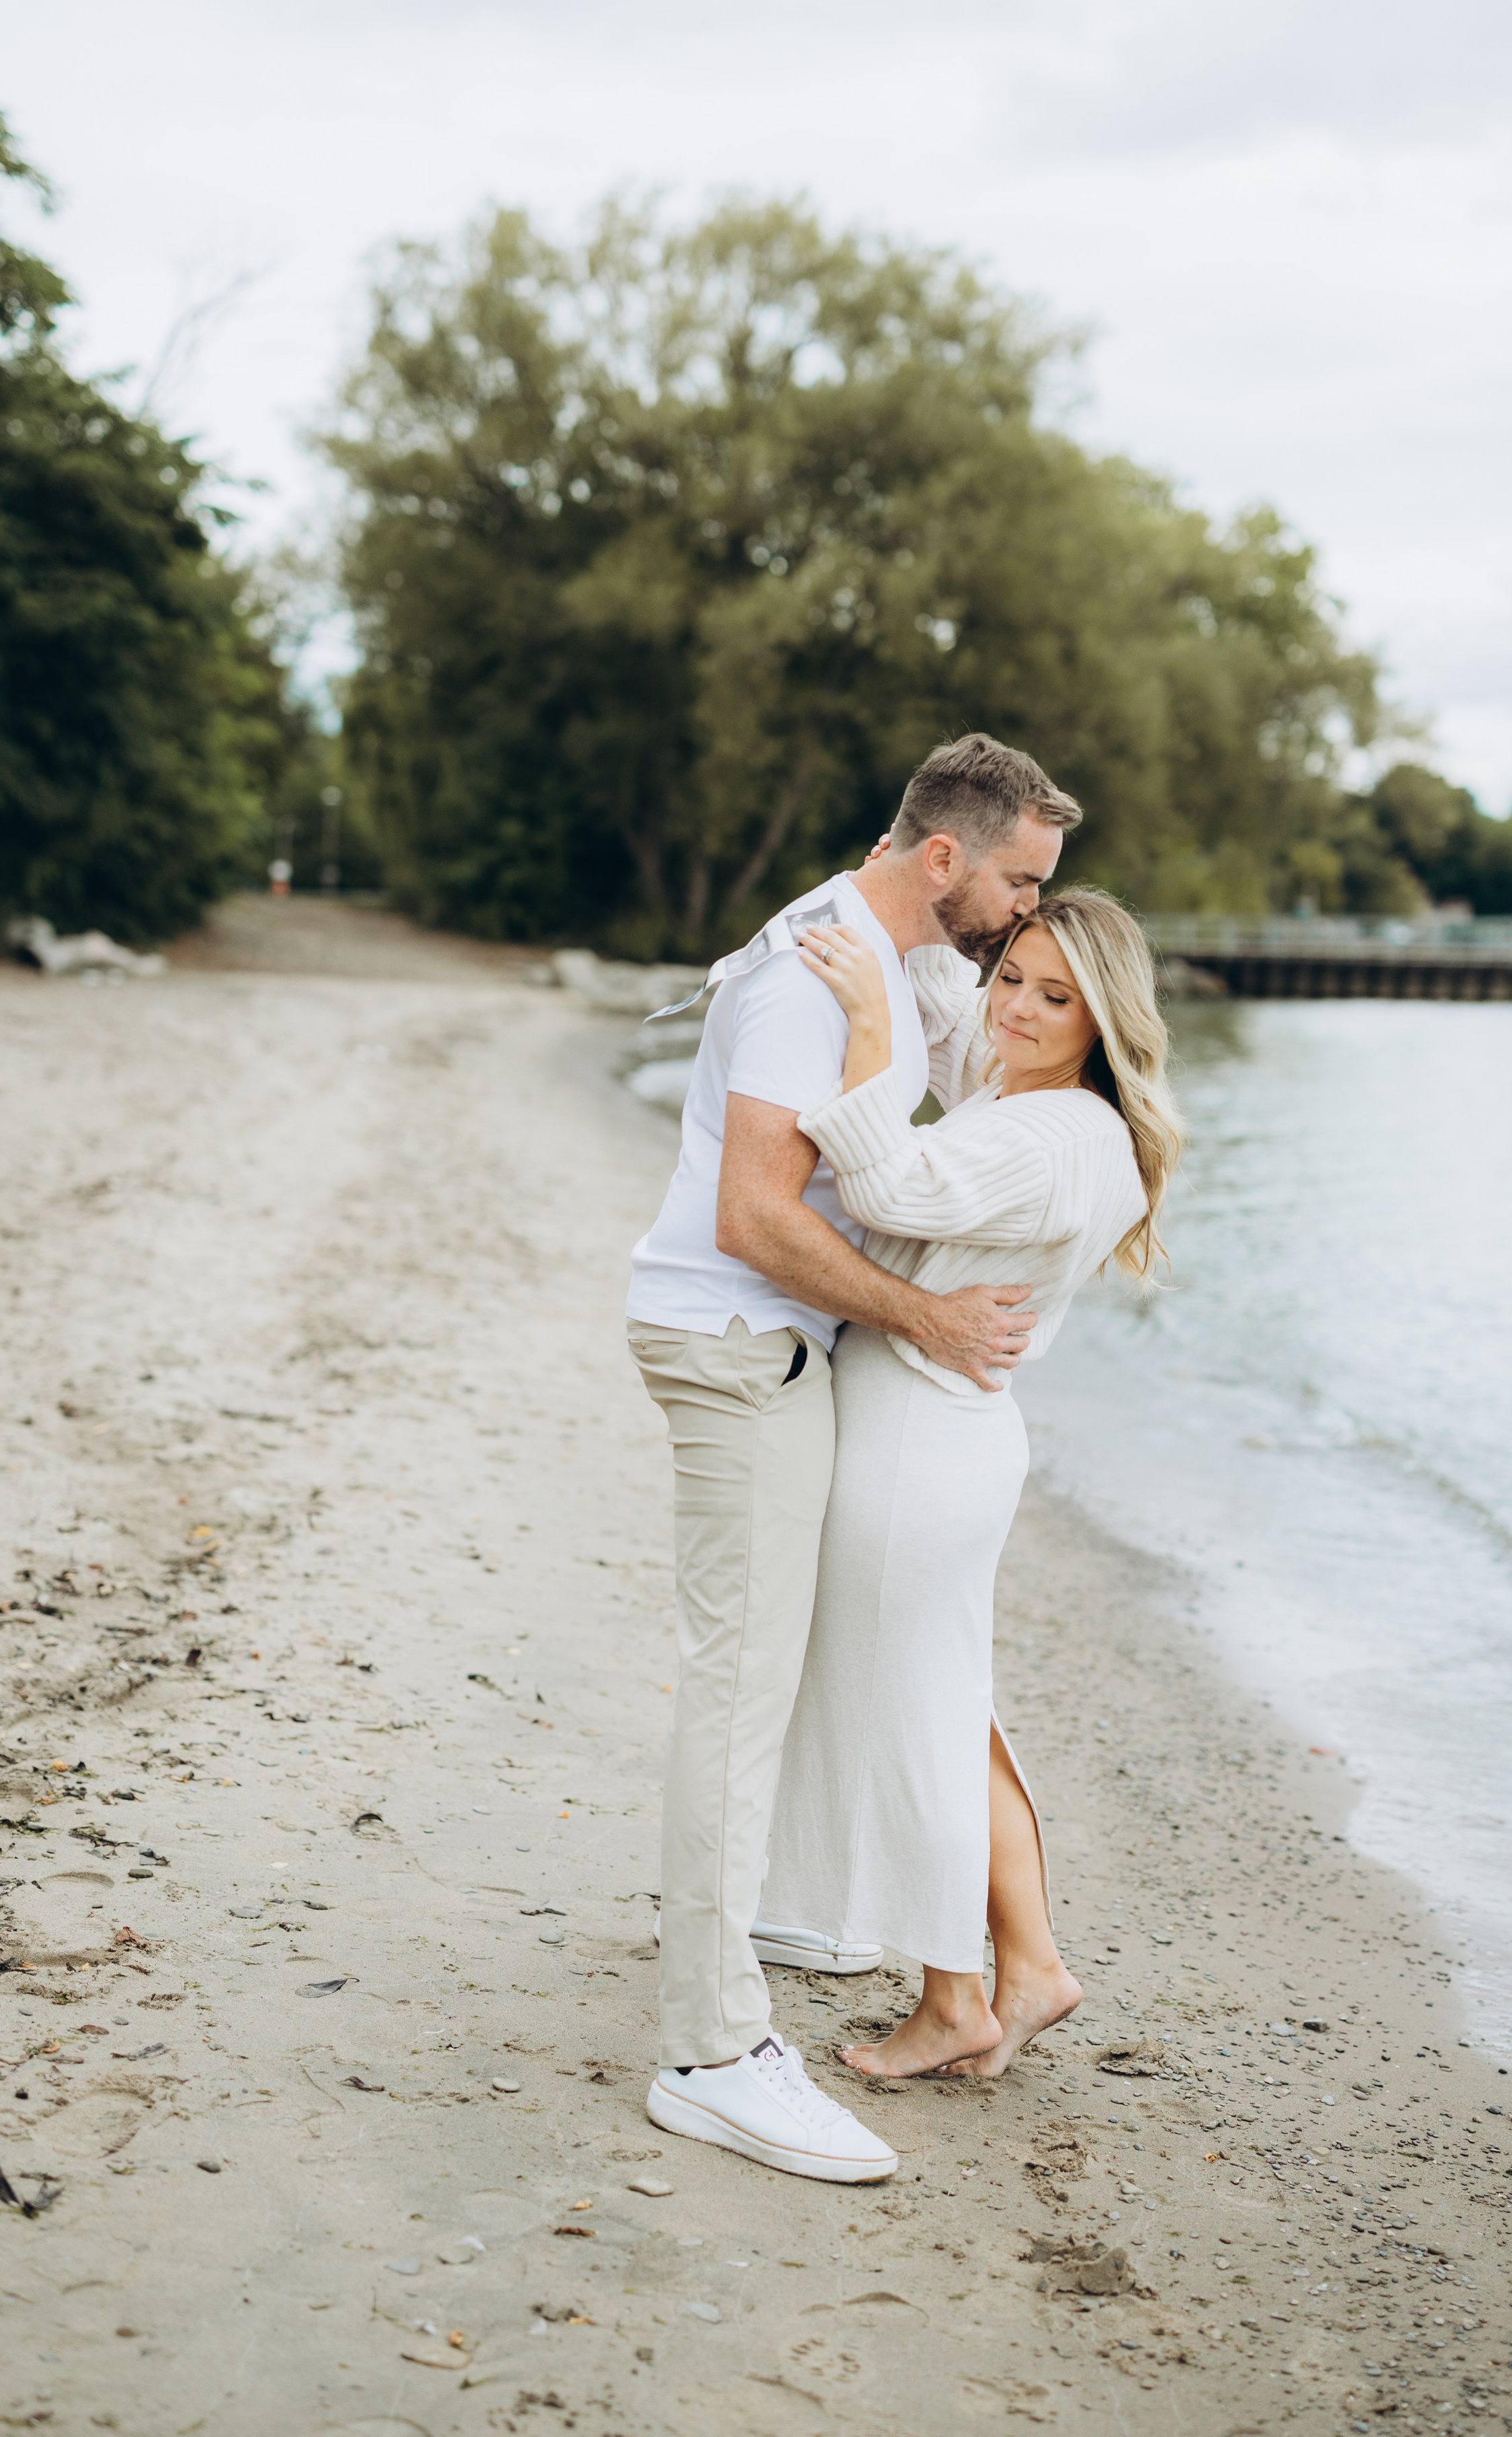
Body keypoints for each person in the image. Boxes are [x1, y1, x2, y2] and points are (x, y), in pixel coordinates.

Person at [626, 734, 1081, 2183]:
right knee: (739, 1691)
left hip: (774, 1350)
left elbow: (940, 1115)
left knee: (788, 1667)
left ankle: (766, 1935)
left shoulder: (894, 964)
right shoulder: (813, 970)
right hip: (739, 1346)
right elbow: (753, 1219)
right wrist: (928, 1317)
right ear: (939, 856)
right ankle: (711, 2051)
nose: (1021, 915)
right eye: (1015, 881)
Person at [760, 886, 1184, 2081]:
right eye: (1015, 979)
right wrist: (919, 902)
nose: (1020, 1011)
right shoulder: (1029, 1099)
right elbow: (957, 1020)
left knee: (921, 1721)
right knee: (949, 1711)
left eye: (1058, 998)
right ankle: (1031, 1965)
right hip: (940, 1432)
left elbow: (891, 1190)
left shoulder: (1055, 1137)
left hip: (918, 1442)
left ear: (1105, 1019)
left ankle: (957, 2000)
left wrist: (858, 1016)